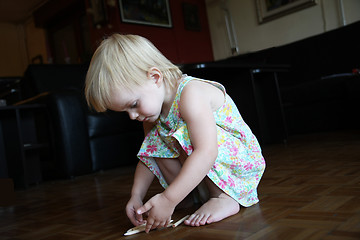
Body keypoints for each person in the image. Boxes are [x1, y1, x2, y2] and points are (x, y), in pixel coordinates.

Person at [85, 33, 266, 233]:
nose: (132, 116)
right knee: (156, 142)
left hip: (240, 167)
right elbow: (149, 155)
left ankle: (224, 198)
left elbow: (207, 151)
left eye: (134, 105)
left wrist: (168, 198)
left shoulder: (190, 93)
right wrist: (136, 196)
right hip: (209, 172)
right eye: (125, 112)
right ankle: (188, 195)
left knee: (188, 135)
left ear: (155, 77)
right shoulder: (150, 114)